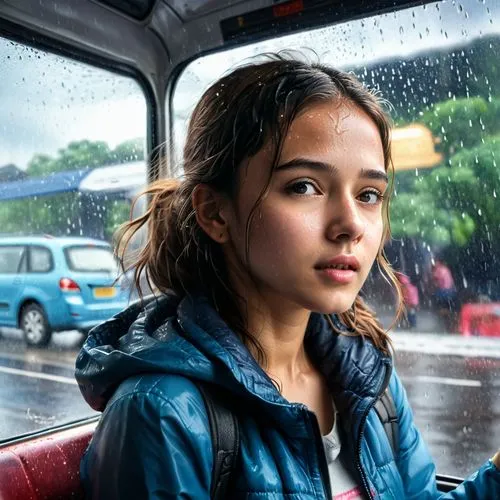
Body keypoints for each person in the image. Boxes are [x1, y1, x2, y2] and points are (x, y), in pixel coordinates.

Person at [75, 56, 500, 499]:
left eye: (369, 194)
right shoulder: (161, 413)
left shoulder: (368, 378)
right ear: (215, 212)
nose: (351, 224)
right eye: (304, 186)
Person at [431, 258, 457, 332]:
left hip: (443, 292)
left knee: (439, 308)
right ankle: (449, 322)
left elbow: (435, 280)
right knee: (448, 308)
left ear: (438, 262)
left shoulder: (438, 269)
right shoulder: (446, 269)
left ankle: (441, 322)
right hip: (451, 292)